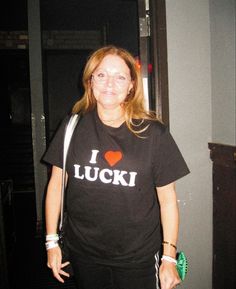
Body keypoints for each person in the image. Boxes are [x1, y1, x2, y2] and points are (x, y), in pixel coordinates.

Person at [42, 45, 190, 289]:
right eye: (101, 75)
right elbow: (56, 185)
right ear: (90, 81)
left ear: (131, 84)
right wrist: (51, 242)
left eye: (119, 76)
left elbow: (167, 200)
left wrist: (169, 257)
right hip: (84, 253)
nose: (109, 83)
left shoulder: (154, 134)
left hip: (138, 258)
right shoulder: (71, 127)